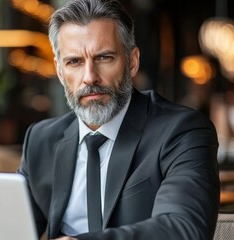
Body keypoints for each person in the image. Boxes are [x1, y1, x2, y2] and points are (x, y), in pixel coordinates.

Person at [17, 0, 220, 239]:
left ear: (132, 62)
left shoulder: (182, 131)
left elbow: (183, 229)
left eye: (104, 58)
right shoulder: (41, 139)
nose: (90, 77)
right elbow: (10, 227)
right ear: (60, 72)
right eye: (75, 62)